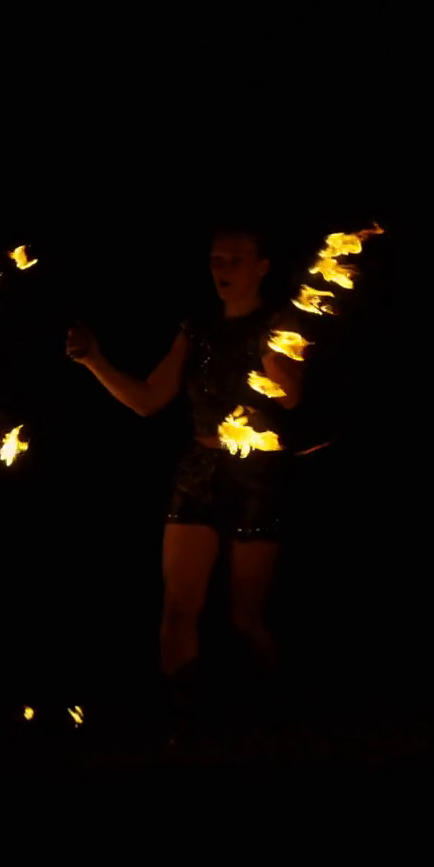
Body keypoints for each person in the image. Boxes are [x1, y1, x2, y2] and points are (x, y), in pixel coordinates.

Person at [66, 227, 308, 743]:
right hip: (200, 471)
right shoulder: (196, 331)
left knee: (246, 618)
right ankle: (184, 727)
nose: (223, 267)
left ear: (262, 266)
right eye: (216, 257)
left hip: (258, 478)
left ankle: (281, 721)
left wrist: (273, 356)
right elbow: (149, 399)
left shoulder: (280, 324)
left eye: (236, 258)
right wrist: (93, 360)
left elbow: (291, 398)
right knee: (178, 607)